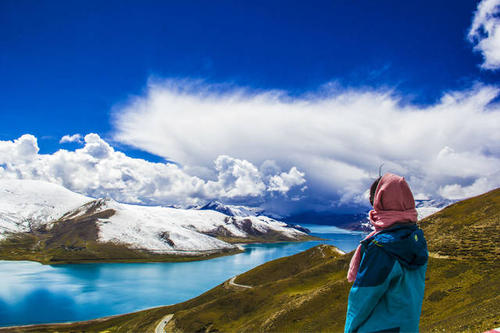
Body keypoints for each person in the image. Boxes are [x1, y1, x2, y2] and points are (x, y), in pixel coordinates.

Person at [344, 173, 428, 333]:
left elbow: (363, 296)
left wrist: (349, 330)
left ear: (379, 202)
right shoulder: (417, 240)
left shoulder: (382, 246)